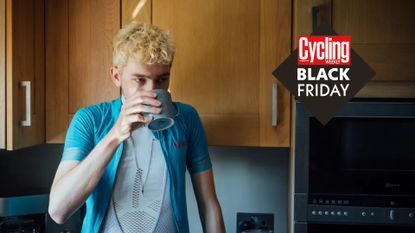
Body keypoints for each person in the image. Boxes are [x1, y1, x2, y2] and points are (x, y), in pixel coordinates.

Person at [48, 21, 225, 233]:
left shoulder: (186, 118)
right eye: (140, 80)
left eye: (162, 79)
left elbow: (209, 205)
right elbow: (58, 211)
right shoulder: (90, 119)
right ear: (116, 76)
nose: (152, 90)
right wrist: (115, 135)